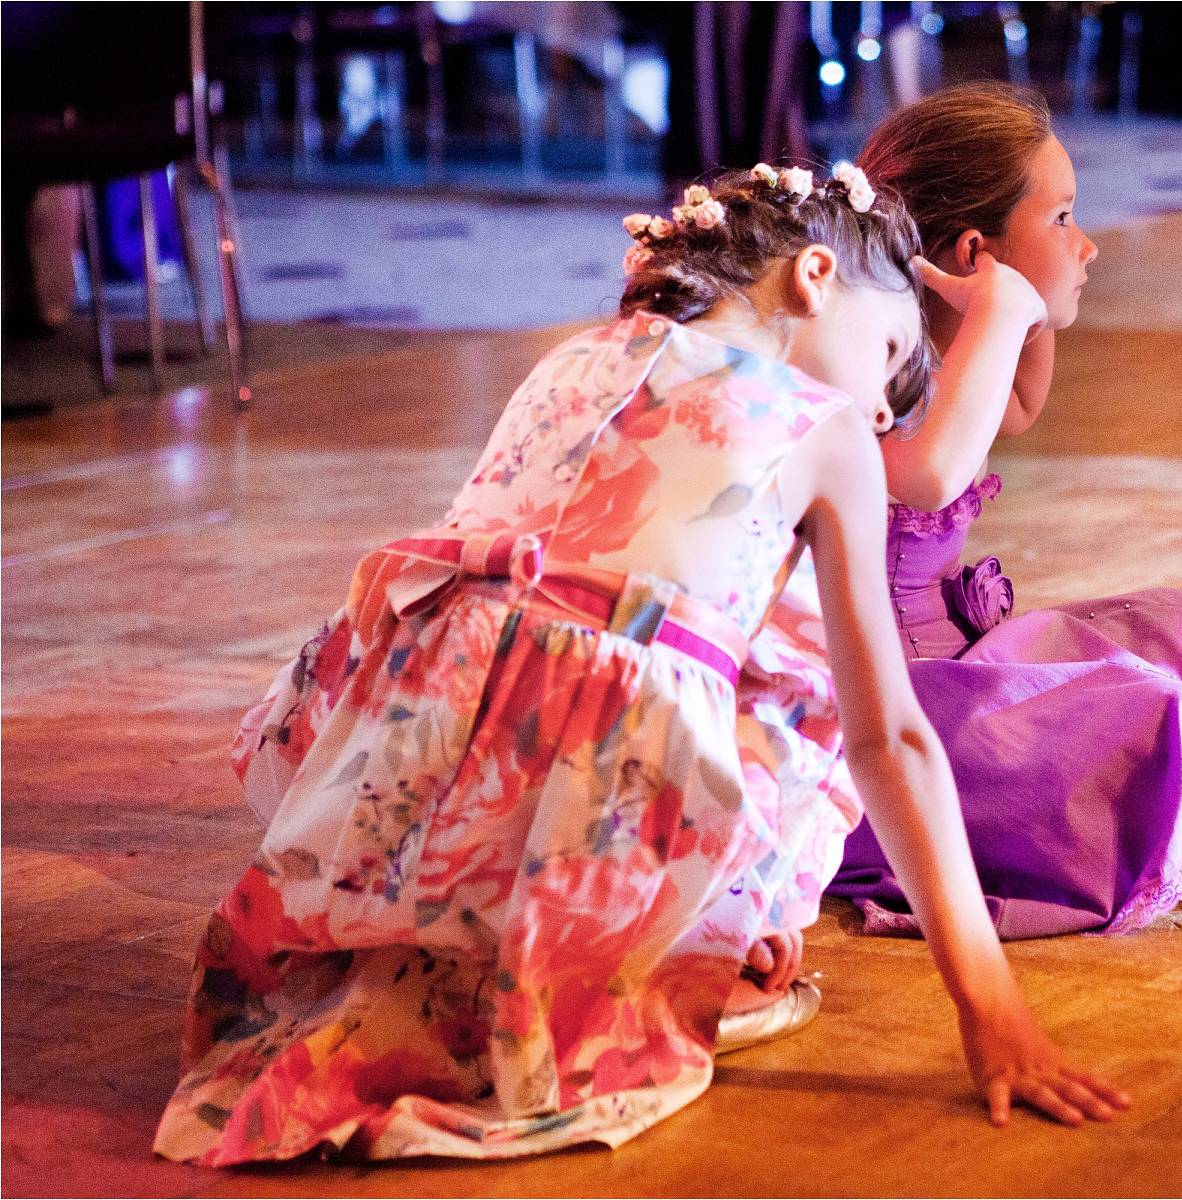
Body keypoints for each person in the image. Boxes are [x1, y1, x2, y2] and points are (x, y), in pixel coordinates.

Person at [154, 161, 1127, 1166]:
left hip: (402, 777)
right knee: (812, 688)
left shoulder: (576, 353)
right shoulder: (826, 426)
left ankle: (506, 949)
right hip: (577, 799)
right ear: (814, 278)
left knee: (691, 630)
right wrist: (989, 1003)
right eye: (887, 355)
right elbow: (893, 739)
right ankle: (662, 940)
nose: (881, 415)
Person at [805, 83, 1182, 939]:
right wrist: (1009, 301)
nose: (1087, 244)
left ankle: (1163, 804)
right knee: (1143, 721)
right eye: (1063, 220)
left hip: (961, 660)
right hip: (886, 704)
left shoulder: (945, 347)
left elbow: (1017, 407)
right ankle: (1136, 819)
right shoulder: (875, 373)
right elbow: (928, 476)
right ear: (976, 253)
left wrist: (1023, 304)